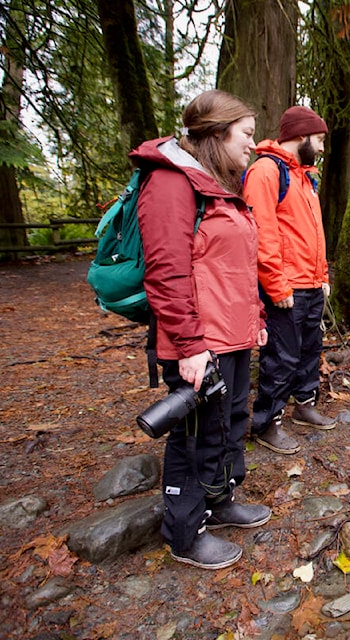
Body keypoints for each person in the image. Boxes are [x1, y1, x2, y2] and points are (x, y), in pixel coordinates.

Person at [133, 90, 270, 570]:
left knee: (229, 426)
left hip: (231, 336)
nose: (253, 145)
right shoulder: (171, 184)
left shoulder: (217, 183)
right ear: (217, 133)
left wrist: (256, 320)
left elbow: (234, 265)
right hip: (196, 343)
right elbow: (166, 273)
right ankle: (185, 534)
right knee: (194, 435)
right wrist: (190, 347)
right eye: (247, 135)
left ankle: (221, 501)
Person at [243, 105, 337, 455]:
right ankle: (267, 422)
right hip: (285, 287)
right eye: (319, 140)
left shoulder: (305, 177)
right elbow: (262, 233)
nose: (323, 147)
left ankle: (304, 403)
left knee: (310, 349)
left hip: (311, 284)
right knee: (281, 357)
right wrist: (276, 285)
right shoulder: (266, 172)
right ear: (301, 136)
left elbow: (314, 234)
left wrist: (323, 275)